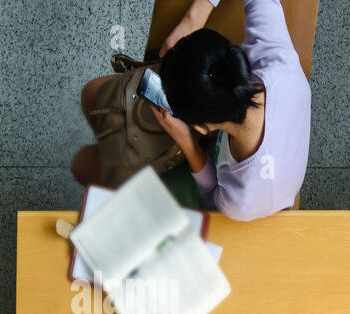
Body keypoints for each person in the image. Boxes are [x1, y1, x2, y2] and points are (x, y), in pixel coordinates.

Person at [72, 0, 310, 221]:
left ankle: (122, 158)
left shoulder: (242, 199)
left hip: (240, 199)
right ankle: (120, 148)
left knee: (85, 164)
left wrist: (186, 141)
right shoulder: (277, 59)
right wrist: (195, 17)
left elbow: (211, 194)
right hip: (242, 142)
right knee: (95, 97)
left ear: (200, 127)